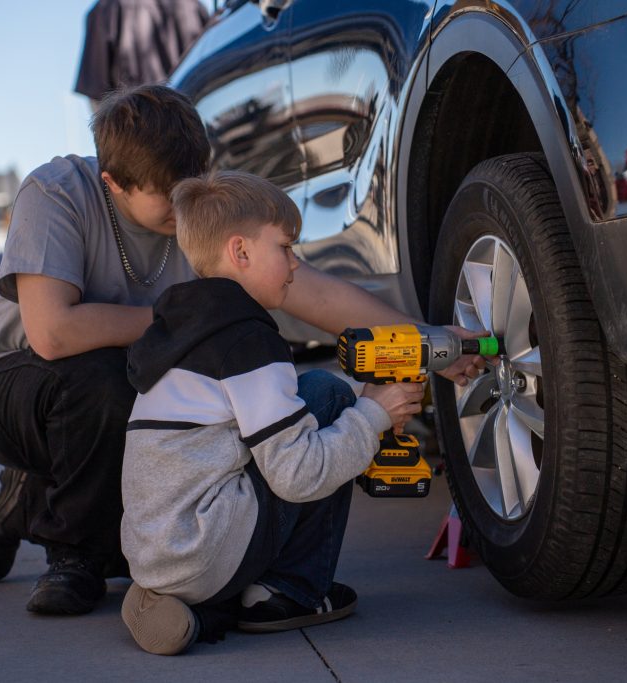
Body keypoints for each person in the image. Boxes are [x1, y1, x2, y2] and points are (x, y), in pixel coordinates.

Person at [0, 84, 487, 617]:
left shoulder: (202, 211)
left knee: (171, 393)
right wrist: (192, 321)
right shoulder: (57, 193)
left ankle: (37, 497)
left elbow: (311, 292)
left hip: (106, 386)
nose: (184, 206)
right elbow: (52, 333)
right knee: (107, 381)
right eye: (167, 195)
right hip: (0, 383)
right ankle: (71, 555)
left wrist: (429, 340)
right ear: (114, 183)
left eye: (193, 181)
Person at [118, 171, 426, 655]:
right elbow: (298, 475)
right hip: (204, 548)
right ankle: (288, 593)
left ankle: (180, 601)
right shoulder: (248, 342)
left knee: (321, 396)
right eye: (285, 247)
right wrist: (371, 413)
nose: (295, 264)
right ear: (240, 252)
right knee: (327, 395)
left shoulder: (182, 334)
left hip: (159, 550)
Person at [74, 0, 209, 107]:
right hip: (195, 124)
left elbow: (96, 94)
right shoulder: (193, 6)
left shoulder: (106, 9)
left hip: (141, 130)